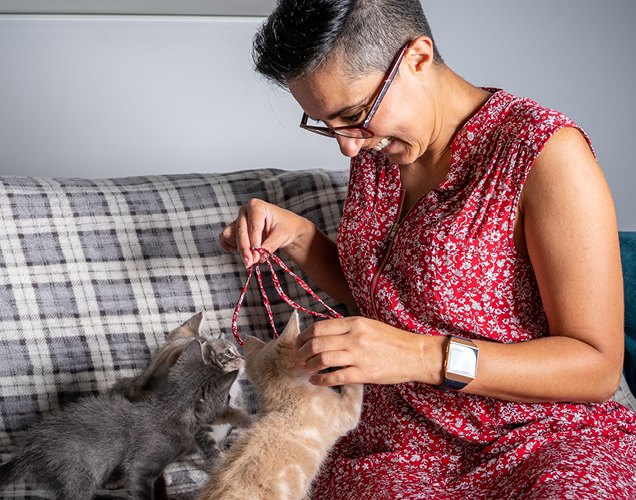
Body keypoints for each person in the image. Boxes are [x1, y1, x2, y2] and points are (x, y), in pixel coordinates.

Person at [220, 0, 636, 498]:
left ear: (418, 57)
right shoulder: (382, 150)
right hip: (394, 453)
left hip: (539, 442)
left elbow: (596, 366)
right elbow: (394, 294)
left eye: (353, 116)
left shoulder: (545, 153)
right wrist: (301, 238)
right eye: (326, 125)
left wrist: (420, 357)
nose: (347, 147)